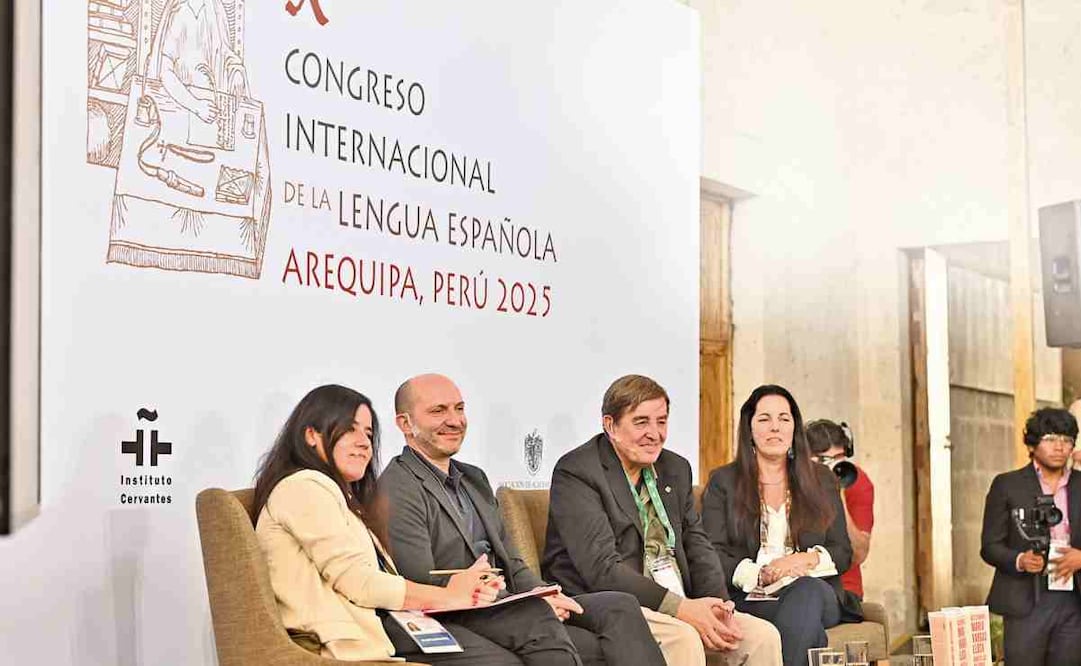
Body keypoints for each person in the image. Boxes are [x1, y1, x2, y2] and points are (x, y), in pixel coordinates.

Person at [380, 373, 665, 666]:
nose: (454, 420)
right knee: (544, 621)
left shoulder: (474, 478)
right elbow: (420, 579)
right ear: (405, 423)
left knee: (619, 606)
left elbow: (512, 560)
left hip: (512, 604)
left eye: (459, 408)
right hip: (463, 611)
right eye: (438, 411)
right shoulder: (397, 486)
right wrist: (516, 600)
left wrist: (543, 593)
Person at [252, 384, 517, 664]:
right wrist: (449, 595)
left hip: (388, 625)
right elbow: (359, 582)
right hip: (335, 645)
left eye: (368, 433)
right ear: (311, 435)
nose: (364, 443)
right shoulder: (304, 486)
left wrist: (462, 589)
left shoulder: (339, 495)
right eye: (350, 429)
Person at [542, 374, 782, 666]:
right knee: (683, 636)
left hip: (678, 598)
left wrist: (719, 605)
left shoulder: (675, 468)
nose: (654, 433)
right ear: (611, 426)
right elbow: (602, 569)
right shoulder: (578, 472)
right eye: (641, 422)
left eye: (662, 421)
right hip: (612, 602)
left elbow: (697, 545)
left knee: (762, 636)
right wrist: (680, 608)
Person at [701, 385, 861, 666]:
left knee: (806, 593)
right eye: (764, 419)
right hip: (751, 595)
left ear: (794, 427)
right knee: (803, 623)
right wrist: (761, 575)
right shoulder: (723, 481)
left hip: (817, 589)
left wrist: (802, 560)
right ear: (749, 428)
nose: (775, 427)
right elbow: (712, 552)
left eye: (784, 419)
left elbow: (843, 551)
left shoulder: (821, 479)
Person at [980, 407, 1081, 666]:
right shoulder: (1007, 485)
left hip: (1074, 600)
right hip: (1025, 598)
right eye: (1050, 438)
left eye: (1067, 440)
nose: (1059, 447)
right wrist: (1020, 560)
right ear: (1033, 444)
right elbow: (990, 546)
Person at [148, 0, 249, 123]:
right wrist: (195, 105)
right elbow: (164, 70)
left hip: (211, 107)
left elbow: (224, 53)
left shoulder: (215, 8)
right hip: (179, 105)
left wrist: (236, 71)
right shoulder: (179, 11)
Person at [806, 419, 874, 599]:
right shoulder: (790, 480)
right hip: (800, 584)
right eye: (824, 460)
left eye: (839, 458)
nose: (833, 466)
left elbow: (859, 554)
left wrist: (837, 494)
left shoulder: (855, 481)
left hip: (844, 590)